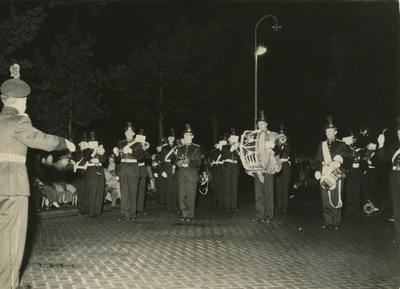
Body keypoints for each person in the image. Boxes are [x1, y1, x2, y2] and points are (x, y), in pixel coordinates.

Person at [0, 63, 75, 289]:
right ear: (18, 101)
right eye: (25, 101)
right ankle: (9, 285)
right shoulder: (19, 121)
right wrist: (64, 142)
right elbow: (40, 139)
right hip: (13, 186)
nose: (26, 104)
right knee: (12, 238)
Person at [314, 116, 351, 230]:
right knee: (325, 197)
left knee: (336, 198)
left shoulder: (341, 144)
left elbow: (349, 160)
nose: (328, 133)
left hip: (336, 173)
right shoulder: (322, 145)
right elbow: (318, 161)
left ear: (336, 132)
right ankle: (328, 221)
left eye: (331, 131)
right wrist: (317, 171)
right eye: (327, 131)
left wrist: (342, 160)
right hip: (325, 173)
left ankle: (336, 222)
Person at [251, 111, 282, 223]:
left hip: (269, 166)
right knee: (259, 192)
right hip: (257, 167)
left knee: (269, 192)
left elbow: (279, 151)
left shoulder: (273, 135)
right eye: (259, 124)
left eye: (262, 124)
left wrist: (273, 146)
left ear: (267, 124)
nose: (260, 126)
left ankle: (269, 215)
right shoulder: (254, 135)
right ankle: (260, 215)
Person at [113, 122, 143, 221]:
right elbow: (117, 161)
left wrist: (131, 151)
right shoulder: (121, 143)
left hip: (133, 170)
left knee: (133, 193)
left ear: (134, 133)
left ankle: (132, 214)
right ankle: (124, 214)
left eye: (131, 132)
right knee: (124, 193)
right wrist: (116, 154)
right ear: (125, 133)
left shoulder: (138, 144)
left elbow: (141, 157)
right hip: (123, 170)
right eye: (127, 132)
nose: (129, 133)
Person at [377, 117, 400, 243]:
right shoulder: (394, 147)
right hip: (394, 181)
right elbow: (382, 159)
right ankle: (398, 234)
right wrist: (381, 144)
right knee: (397, 209)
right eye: (398, 133)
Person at [174, 124, 201, 221]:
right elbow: (176, 160)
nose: (187, 137)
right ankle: (184, 214)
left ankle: (190, 215)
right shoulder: (180, 148)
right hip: (182, 174)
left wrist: (188, 162)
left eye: (189, 136)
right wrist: (179, 163)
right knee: (182, 195)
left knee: (191, 195)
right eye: (185, 136)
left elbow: (198, 163)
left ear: (192, 137)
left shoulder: (196, 148)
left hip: (191, 175)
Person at [221, 128, 241, 212]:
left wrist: (238, 150)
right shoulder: (225, 147)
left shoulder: (237, 147)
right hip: (227, 167)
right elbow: (224, 157)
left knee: (234, 187)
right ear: (228, 139)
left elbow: (239, 158)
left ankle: (234, 205)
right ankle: (227, 205)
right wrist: (231, 149)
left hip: (235, 167)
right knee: (228, 186)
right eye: (232, 138)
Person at [275, 124, 292, 212]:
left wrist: (284, 144)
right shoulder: (276, 146)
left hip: (286, 168)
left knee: (285, 187)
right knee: (278, 187)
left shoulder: (287, 145)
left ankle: (285, 205)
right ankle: (279, 205)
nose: (282, 138)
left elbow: (288, 152)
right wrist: (279, 145)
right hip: (278, 167)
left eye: (283, 136)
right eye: (280, 136)